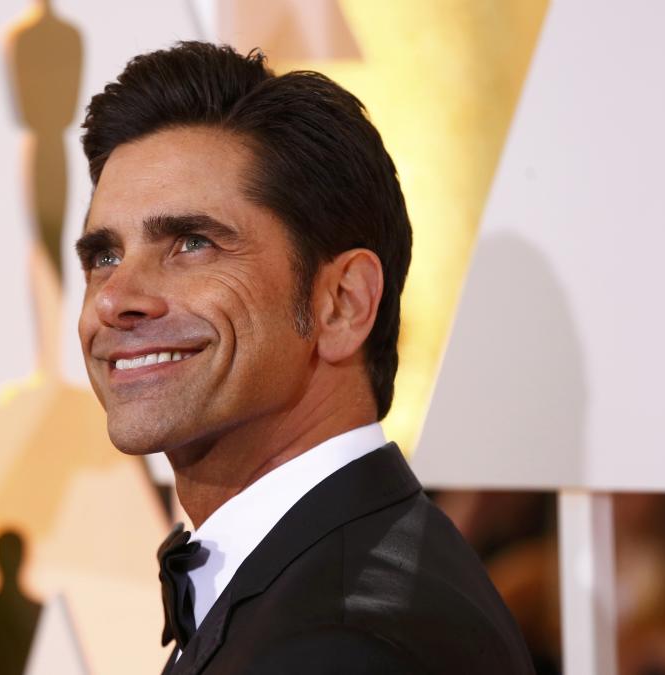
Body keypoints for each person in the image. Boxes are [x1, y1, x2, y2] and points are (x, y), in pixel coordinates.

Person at [74, 41, 534, 674]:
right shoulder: (345, 572)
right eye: (104, 256)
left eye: (192, 243)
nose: (115, 300)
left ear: (342, 304)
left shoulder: (341, 643)